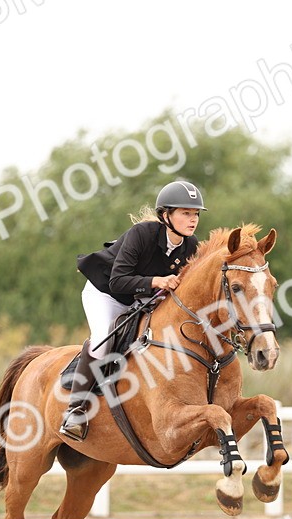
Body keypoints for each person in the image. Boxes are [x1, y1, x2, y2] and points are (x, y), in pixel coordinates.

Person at [59, 180, 206, 441]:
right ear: (166, 215)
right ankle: (75, 410)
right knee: (103, 339)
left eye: (195, 214)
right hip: (106, 293)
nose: (193, 219)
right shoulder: (142, 234)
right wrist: (156, 281)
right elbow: (118, 281)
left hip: (141, 299)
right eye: (185, 213)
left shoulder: (190, 245)